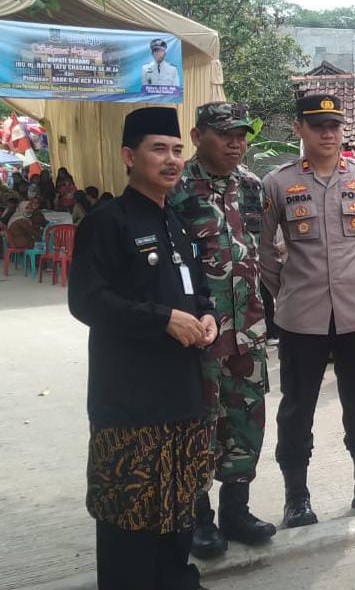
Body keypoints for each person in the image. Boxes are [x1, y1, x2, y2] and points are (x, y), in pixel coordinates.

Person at [67, 106, 218, 590]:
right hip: (129, 401)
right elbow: (87, 300)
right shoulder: (106, 222)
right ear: (129, 156)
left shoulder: (177, 221)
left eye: (177, 150)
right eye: (158, 149)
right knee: (128, 510)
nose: (171, 160)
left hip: (181, 394)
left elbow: (198, 291)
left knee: (178, 503)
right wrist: (162, 319)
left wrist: (207, 315)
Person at [258, 93, 355, 528]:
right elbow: (264, 254)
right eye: (317, 125)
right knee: (296, 410)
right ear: (298, 128)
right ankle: (296, 499)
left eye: (334, 125)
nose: (328, 133)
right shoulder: (277, 184)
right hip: (302, 318)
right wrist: (290, 291)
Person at [170, 102, 275, 558]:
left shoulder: (251, 185)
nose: (236, 143)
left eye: (242, 135)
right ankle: (199, 519)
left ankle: (237, 511)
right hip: (201, 332)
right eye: (225, 134)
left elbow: (259, 249)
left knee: (246, 421)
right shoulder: (176, 189)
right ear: (198, 137)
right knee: (199, 423)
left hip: (247, 330)